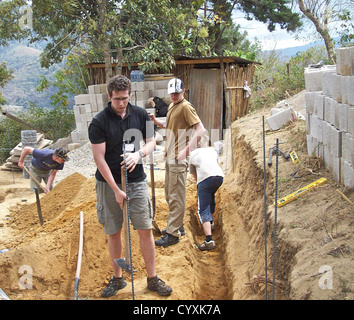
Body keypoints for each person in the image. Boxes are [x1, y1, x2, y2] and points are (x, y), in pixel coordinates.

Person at [88, 75, 172, 298]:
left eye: (125, 98)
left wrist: (139, 153)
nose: (122, 103)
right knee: (113, 231)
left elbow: (152, 141)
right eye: (117, 99)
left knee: (144, 229)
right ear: (109, 96)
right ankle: (118, 278)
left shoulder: (141, 114)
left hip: (137, 181)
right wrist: (116, 190)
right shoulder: (99, 122)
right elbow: (99, 159)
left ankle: (152, 278)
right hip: (108, 184)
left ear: (129, 95)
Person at [149, 78, 205, 247]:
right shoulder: (173, 106)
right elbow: (170, 124)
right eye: (172, 94)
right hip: (170, 156)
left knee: (176, 196)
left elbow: (200, 130)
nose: (174, 96)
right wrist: (156, 121)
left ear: (183, 91)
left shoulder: (186, 107)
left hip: (179, 158)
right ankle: (178, 225)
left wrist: (185, 151)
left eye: (177, 93)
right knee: (169, 193)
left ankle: (173, 234)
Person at [189, 137, 224, 251]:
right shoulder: (212, 151)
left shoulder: (193, 154)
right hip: (219, 177)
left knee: (202, 208)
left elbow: (194, 173)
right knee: (211, 196)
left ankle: (209, 240)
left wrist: (200, 185)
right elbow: (215, 165)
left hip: (205, 179)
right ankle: (211, 223)